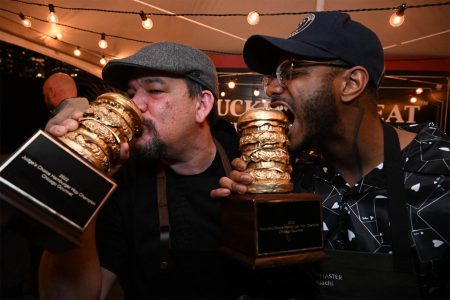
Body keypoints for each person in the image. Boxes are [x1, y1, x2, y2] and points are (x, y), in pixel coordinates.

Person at [211, 12, 449, 299]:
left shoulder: (440, 175)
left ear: (351, 83)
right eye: (271, 77)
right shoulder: (294, 174)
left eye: (290, 70)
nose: (273, 88)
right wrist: (248, 215)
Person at [39, 42, 244, 299]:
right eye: (131, 92)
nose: (135, 104)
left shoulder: (243, 167)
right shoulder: (122, 180)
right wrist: (81, 182)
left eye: (155, 90)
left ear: (202, 105)